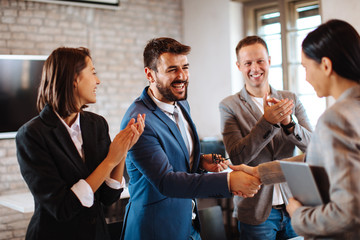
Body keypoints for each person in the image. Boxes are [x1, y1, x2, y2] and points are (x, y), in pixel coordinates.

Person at [120, 37, 261, 240]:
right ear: (149, 74)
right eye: (172, 70)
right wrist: (228, 182)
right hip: (155, 229)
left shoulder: (181, 104)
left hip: (189, 225)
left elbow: (173, 155)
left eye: (185, 67)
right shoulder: (139, 120)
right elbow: (166, 181)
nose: (182, 76)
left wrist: (200, 161)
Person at [232, 19, 360, 239]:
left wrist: (299, 214)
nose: (306, 77)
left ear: (326, 66)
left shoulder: (336, 119)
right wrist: (260, 172)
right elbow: (319, 158)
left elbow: (348, 212)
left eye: (306, 67)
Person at [16, 47, 145, 240]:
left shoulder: (97, 124)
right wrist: (110, 160)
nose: (98, 81)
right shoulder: (31, 135)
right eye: (93, 73)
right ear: (74, 79)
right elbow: (62, 208)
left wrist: (122, 151)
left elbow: (108, 198)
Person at [219, 36, 313, 240]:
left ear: (269, 60)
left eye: (260, 60)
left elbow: (314, 148)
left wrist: (289, 124)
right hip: (256, 210)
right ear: (239, 66)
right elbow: (237, 156)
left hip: (296, 204)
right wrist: (267, 122)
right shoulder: (229, 106)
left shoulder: (291, 99)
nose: (255, 68)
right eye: (248, 63)